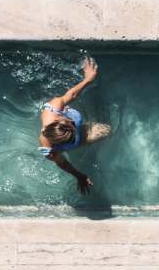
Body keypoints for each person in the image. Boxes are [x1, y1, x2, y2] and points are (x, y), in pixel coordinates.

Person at [38, 56, 111, 194]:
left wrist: (88, 79)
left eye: (70, 122)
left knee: (107, 129)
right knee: (107, 131)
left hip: (71, 130)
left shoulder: (54, 107)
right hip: (79, 139)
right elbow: (62, 163)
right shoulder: (48, 148)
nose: (72, 122)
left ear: (59, 119)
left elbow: (71, 95)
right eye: (72, 125)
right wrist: (79, 175)